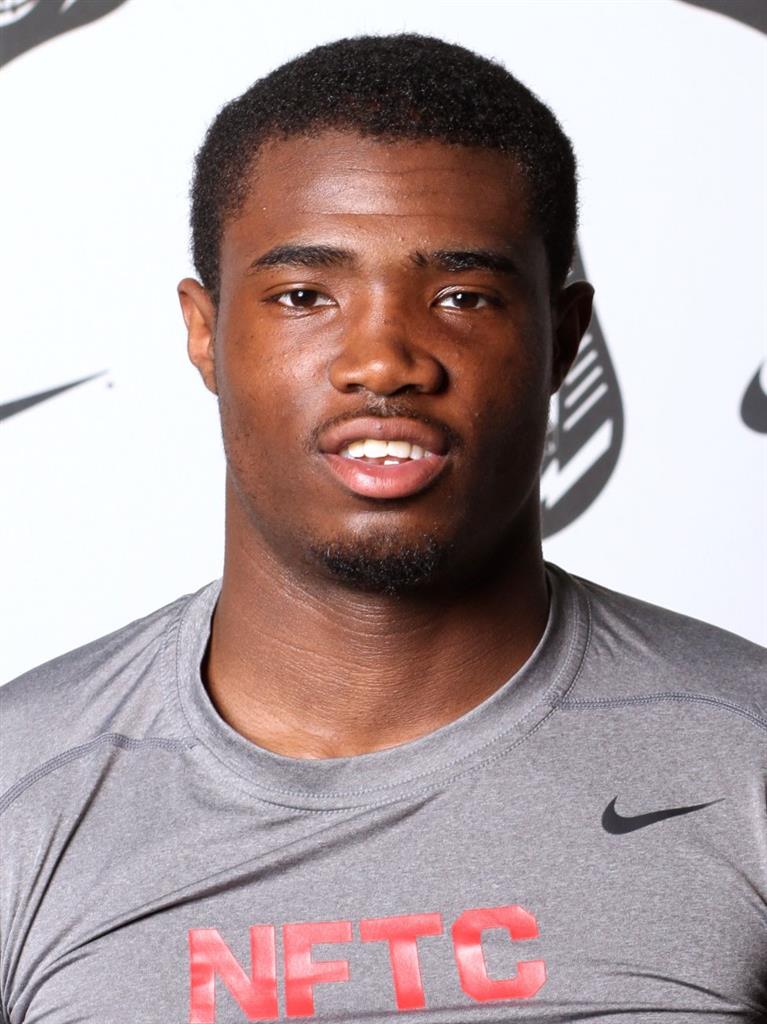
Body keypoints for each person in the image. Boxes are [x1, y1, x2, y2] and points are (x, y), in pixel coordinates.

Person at [0, 32, 764, 1024]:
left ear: (563, 338)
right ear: (205, 330)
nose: (384, 362)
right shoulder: (24, 789)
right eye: (304, 296)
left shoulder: (744, 761)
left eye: (461, 297)